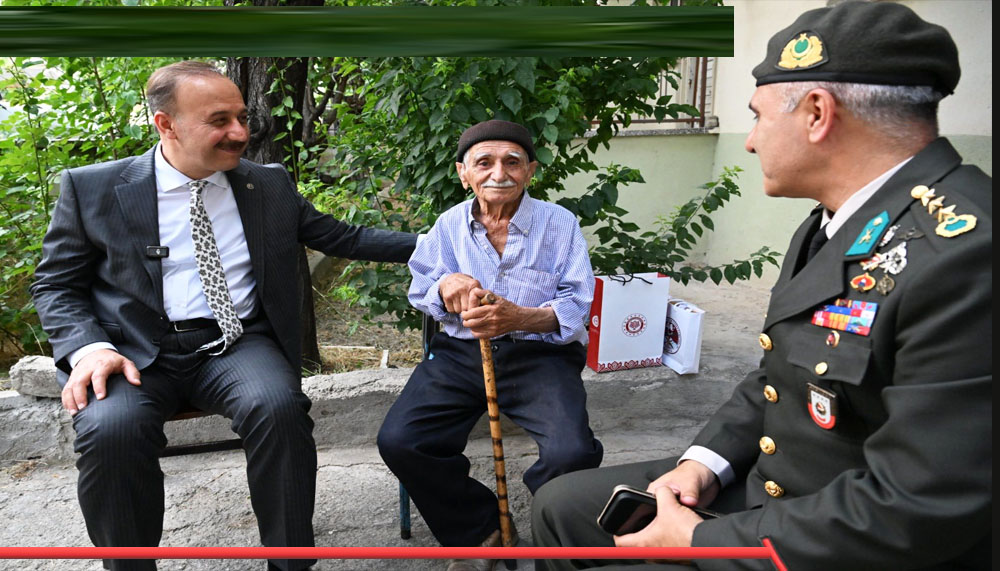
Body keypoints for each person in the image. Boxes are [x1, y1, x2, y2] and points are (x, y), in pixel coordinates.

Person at [531, 3, 991, 570]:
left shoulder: (965, 254)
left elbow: (921, 508)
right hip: (777, 491)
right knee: (560, 505)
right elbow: (781, 375)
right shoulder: (837, 220)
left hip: (844, 537)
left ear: (817, 113)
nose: (748, 142)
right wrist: (701, 463)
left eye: (757, 117)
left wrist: (699, 542)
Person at [30, 61, 417, 571]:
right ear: (165, 124)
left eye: (241, 116)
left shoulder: (267, 185)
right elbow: (55, 284)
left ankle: (291, 562)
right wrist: (90, 348)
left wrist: (457, 243)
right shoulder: (93, 188)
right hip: (130, 352)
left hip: (234, 343)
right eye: (219, 121)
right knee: (110, 432)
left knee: (279, 410)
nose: (239, 133)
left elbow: (344, 238)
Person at [377, 119, 604, 571]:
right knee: (402, 441)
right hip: (461, 355)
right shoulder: (447, 226)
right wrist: (445, 286)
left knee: (571, 452)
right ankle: (481, 531)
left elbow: (579, 301)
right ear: (465, 173)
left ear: (530, 171)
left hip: (539, 354)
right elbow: (421, 285)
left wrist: (521, 316)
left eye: (511, 162)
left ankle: (552, 533)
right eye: (484, 162)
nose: (498, 172)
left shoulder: (560, 224)